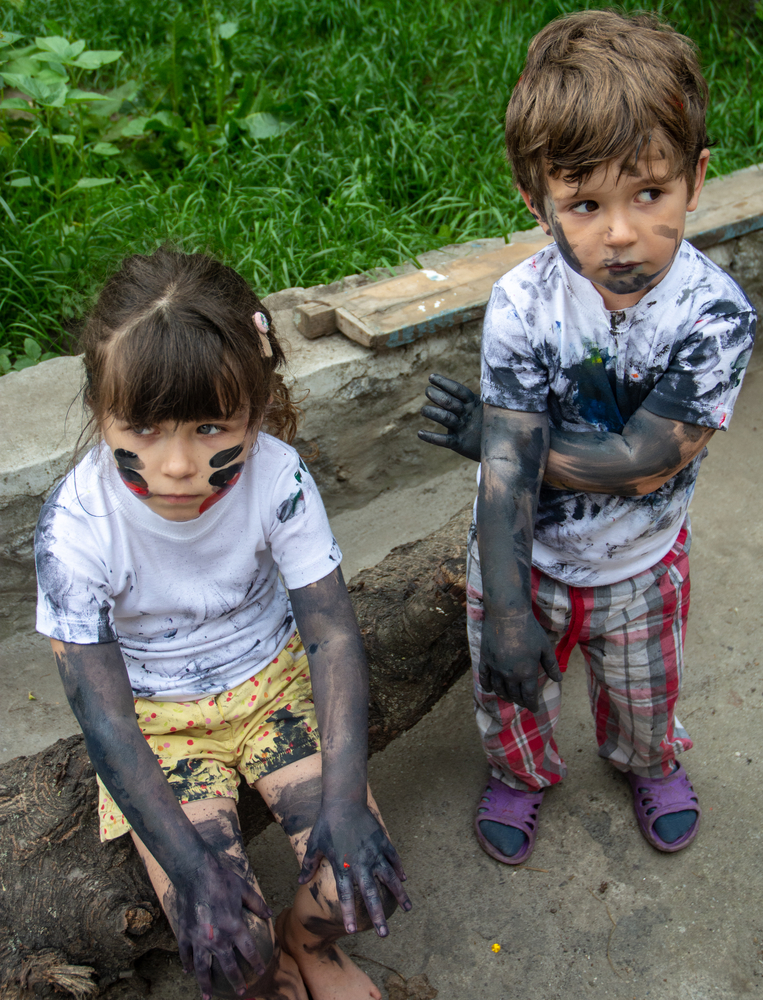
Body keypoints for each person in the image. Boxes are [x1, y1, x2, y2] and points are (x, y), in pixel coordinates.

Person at [418, 10, 755, 865]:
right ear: (535, 201)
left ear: (696, 176)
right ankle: (520, 774)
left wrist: (498, 441)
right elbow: (504, 485)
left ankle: (647, 760)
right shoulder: (521, 307)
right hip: (527, 556)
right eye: (583, 202)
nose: (617, 232)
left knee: (645, 691)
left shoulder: (714, 316)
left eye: (649, 193)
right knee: (511, 688)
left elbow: (644, 464)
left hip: (642, 561)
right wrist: (503, 608)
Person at [35, 247, 411, 1000]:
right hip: (156, 723)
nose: (176, 464)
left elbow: (332, 633)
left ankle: (308, 945)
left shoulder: (278, 478)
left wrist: (344, 797)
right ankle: (267, 964)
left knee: (353, 885)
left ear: (257, 404)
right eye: (143, 428)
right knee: (227, 945)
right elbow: (105, 720)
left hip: (273, 690)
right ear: (98, 408)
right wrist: (191, 868)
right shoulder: (77, 528)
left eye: (211, 427)